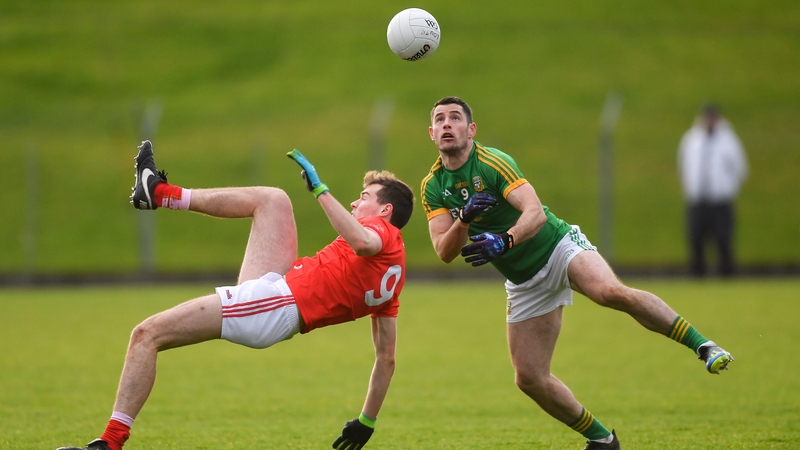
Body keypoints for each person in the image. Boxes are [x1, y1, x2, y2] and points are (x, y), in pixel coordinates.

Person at [421, 96, 734, 450]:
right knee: (529, 378)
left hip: (557, 247)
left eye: (455, 118)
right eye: (440, 120)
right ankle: (602, 440)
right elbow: (444, 251)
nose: (447, 124)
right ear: (432, 133)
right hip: (524, 281)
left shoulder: (493, 163)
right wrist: (464, 219)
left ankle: (703, 346)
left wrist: (505, 240)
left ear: (471, 129)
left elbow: (535, 213)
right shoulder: (433, 185)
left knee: (609, 292)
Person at [58, 140, 415, 450]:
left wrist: (320, 189)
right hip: (276, 294)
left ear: (385, 211)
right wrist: (367, 421)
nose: (354, 203)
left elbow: (362, 242)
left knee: (146, 334)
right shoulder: (393, 276)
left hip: (274, 305)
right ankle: (160, 193)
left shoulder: (379, 230)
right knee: (272, 200)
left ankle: (110, 442)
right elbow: (386, 359)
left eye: (364, 198)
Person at [678, 104, 748, 277]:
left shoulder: (728, 140)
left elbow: (739, 167)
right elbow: (683, 164)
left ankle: (726, 273)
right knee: (695, 238)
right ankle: (697, 274)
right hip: (697, 199)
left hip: (720, 200)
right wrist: (690, 187)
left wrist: (728, 188)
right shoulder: (692, 139)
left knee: (723, 238)